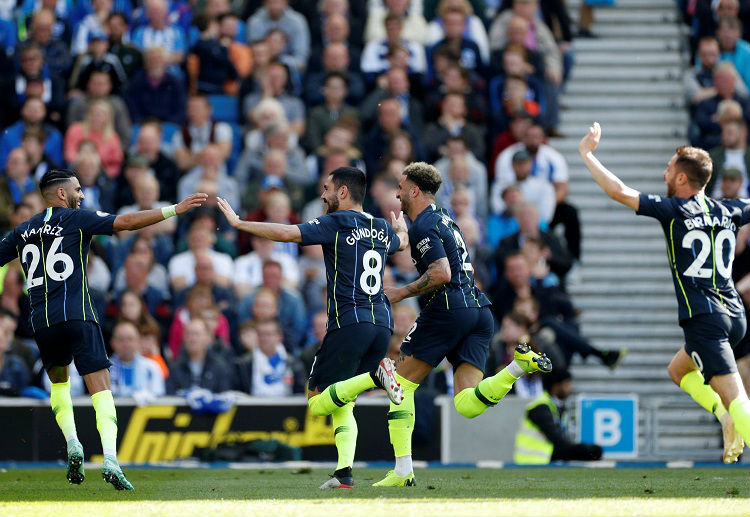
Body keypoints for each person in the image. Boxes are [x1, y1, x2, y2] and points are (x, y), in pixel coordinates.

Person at [0, 168, 207, 489]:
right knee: (101, 387)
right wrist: (173, 210)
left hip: (42, 323)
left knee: (59, 386)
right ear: (61, 194)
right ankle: (110, 457)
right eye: (78, 190)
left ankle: (72, 442)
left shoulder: (22, 231)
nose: (82, 195)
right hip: (77, 314)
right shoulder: (75, 219)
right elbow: (123, 223)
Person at [217, 166, 408, 489]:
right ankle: (344, 473)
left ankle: (377, 375)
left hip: (349, 322)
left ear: (343, 192)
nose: (322, 195)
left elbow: (289, 234)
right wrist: (401, 229)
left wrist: (239, 223)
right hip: (382, 323)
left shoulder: (336, 222)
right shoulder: (379, 227)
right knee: (344, 400)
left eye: (327, 188)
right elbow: (401, 244)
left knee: (318, 399)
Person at [578, 122, 750, 464]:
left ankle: (730, 412)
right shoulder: (730, 209)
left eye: (669, 169)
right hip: (736, 315)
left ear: (683, 179)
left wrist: (586, 153)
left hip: (705, 319)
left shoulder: (674, 211)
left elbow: (618, 190)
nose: (664, 172)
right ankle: (724, 414)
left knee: (739, 399)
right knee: (678, 370)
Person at [373, 162, 552, 487]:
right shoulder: (444, 219)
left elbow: (442, 272)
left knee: (398, 384)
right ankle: (516, 368)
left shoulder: (425, 225)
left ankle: (402, 470)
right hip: (479, 311)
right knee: (467, 404)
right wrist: (402, 233)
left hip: (448, 309)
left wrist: (399, 292)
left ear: (413, 189)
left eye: (400, 187)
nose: (396, 194)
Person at [514, 369, 603, 464]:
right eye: (567, 384)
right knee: (589, 451)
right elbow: (558, 440)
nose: (570, 388)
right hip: (533, 458)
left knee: (591, 451)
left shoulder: (556, 406)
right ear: (555, 386)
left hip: (545, 455)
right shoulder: (540, 407)